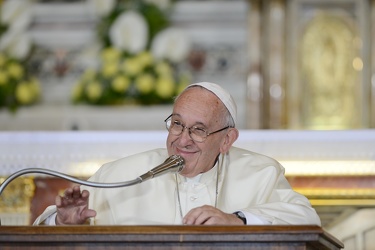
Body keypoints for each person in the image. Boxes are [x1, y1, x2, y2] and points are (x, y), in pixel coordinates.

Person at [34, 82, 321, 226]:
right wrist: (62, 222)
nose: (182, 140)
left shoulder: (262, 173)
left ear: (227, 140)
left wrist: (238, 220)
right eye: (177, 124)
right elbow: (43, 230)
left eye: (198, 130)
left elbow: (306, 218)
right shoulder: (121, 175)